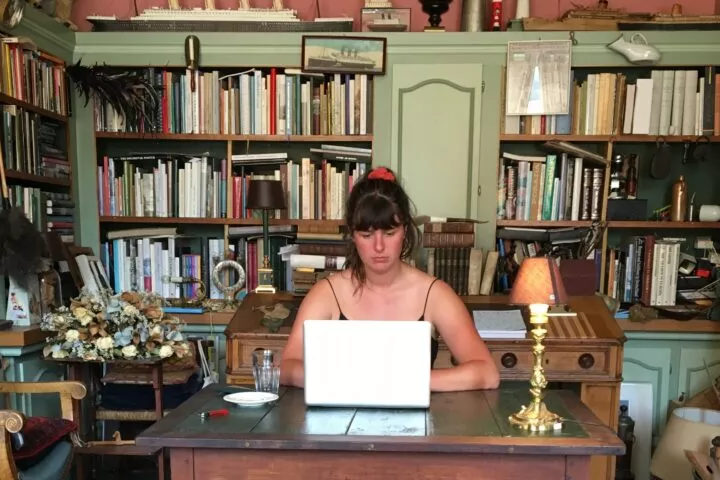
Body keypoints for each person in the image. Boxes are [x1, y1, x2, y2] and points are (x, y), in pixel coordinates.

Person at [279, 166, 500, 392]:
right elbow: (287, 367)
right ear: (352, 235)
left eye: (389, 233)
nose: (379, 247)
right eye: (366, 235)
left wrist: (403, 382)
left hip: (415, 414)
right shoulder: (327, 293)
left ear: (405, 231)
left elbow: (487, 373)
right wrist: (345, 380)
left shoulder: (434, 294)